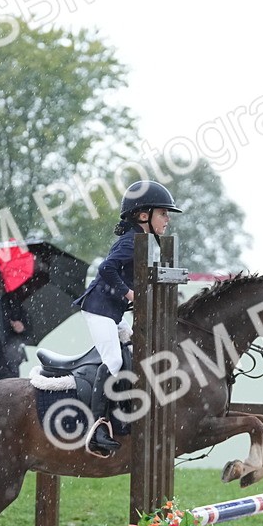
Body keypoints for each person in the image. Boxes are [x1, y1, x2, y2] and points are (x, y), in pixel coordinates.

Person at [72, 180, 181, 455]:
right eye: (163, 213)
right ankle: (97, 428)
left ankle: (123, 413)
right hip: (99, 309)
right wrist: (129, 294)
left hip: (113, 312)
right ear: (143, 215)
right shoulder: (134, 241)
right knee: (114, 360)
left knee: (135, 351)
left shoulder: (141, 241)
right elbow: (106, 268)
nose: (167, 219)